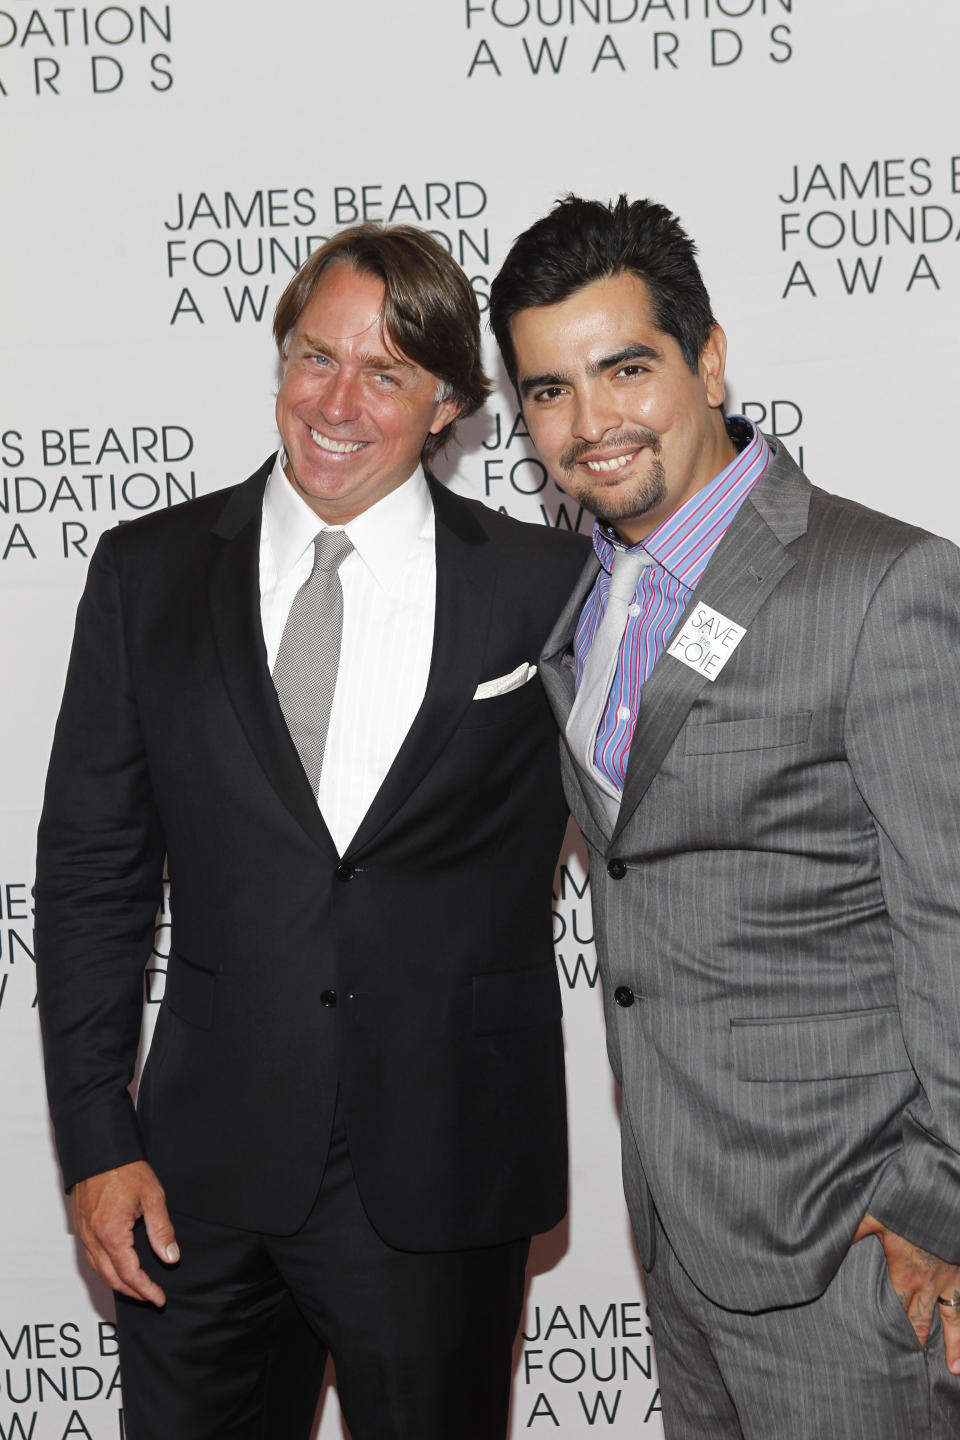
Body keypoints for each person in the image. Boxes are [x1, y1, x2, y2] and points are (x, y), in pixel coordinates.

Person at [35, 222, 588, 1440]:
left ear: (448, 403)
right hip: (195, 1175)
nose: (337, 402)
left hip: (445, 1165)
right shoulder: (149, 573)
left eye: (386, 373)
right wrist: (94, 1142)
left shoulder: (549, 591)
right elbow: (89, 878)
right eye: (313, 356)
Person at [489, 194, 960, 1438]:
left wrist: (937, 1205)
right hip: (681, 1227)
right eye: (547, 391)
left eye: (626, 369)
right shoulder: (589, 599)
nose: (589, 425)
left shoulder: (879, 583)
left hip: (855, 1242)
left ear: (708, 359)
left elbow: (952, 918)